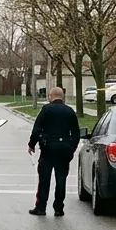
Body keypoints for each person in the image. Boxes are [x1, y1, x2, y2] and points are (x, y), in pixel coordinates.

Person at [28, 87, 81, 217]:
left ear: (50, 96)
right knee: (61, 179)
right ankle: (58, 208)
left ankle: (41, 207)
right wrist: (72, 147)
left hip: (48, 149)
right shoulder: (69, 111)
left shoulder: (46, 110)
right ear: (62, 97)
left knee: (44, 179)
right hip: (64, 150)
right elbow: (76, 132)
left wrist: (32, 144)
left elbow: (36, 129)